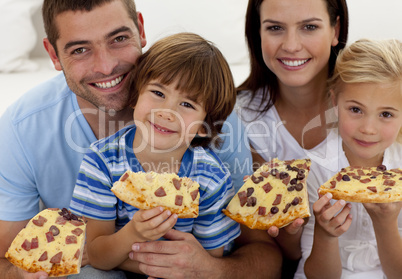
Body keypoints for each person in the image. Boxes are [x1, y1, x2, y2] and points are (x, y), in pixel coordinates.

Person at [0, 1, 252, 278]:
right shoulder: (91, 156)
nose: (106, 67)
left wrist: (204, 268)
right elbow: (17, 257)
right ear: (54, 54)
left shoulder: (217, 143)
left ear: (140, 29)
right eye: (80, 49)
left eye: (118, 39)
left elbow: (223, 256)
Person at [69, 32, 241, 274]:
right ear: (136, 95)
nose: (166, 112)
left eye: (187, 105)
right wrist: (134, 233)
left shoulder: (211, 177)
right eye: (158, 94)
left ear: (204, 125)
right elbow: (96, 254)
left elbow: (207, 261)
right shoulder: (102, 161)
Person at [228, 0, 349, 275]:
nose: (292, 45)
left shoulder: (370, 106)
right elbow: (283, 250)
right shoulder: (238, 119)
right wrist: (290, 234)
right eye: (275, 28)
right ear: (257, 33)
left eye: (309, 27)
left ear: (335, 29)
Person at [299, 38, 402, 279]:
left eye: (386, 114)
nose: (368, 128)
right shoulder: (315, 169)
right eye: (355, 109)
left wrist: (386, 225)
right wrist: (325, 235)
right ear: (335, 102)